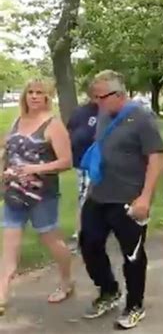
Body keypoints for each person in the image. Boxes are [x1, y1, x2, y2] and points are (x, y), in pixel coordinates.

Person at [79, 70, 163, 329]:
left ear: (119, 94)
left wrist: (145, 198)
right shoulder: (104, 114)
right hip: (99, 195)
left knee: (132, 255)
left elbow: (157, 158)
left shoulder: (141, 117)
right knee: (89, 244)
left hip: (129, 199)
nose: (97, 102)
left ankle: (135, 304)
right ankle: (109, 289)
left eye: (101, 96)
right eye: (95, 96)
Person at [0, 78, 74, 315]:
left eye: (39, 93)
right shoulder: (16, 121)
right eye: (30, 92)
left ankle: (66, 280)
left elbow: (66, 162)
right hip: (13, 194)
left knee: (51, 240)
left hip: (43, 196)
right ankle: (2, 293)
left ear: (46, 97)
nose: (33, 96)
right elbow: (6, 151)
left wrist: (34, 169)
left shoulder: (53, 125)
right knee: (9, 245)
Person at [66, 84, 99, 241]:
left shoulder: (111, 112)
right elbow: (71, 133)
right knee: (85, 195)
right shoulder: (80, 112)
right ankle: (80, 231)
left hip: (108, 161)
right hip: (84, 162)